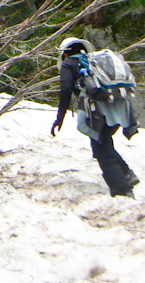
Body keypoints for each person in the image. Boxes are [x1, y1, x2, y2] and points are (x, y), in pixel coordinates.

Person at [51, 37, 139, 198]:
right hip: (118, 105)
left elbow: (65, 90)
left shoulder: (68, 64)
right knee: (103, 143)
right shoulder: (92, 60)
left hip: (97, 110)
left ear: (64, 53)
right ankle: (126, 174)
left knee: (102, 148)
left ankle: (122, 190)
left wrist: (60, 118)